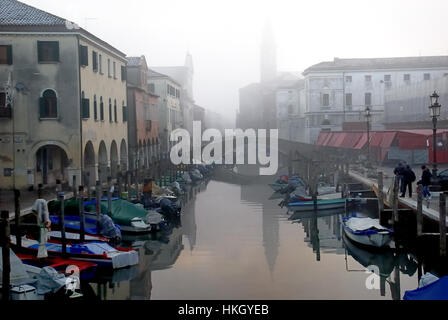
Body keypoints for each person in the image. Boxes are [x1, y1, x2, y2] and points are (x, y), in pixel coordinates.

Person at [31, 187, 51, 259]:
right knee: (43, 241)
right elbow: (46, 221)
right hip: (43, 228)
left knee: (41, 241)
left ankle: (41, 254)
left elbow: (34, 211)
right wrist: (48, 226)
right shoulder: (44, 209)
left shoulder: (39, 211)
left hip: (40, 227)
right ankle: (42, 255)